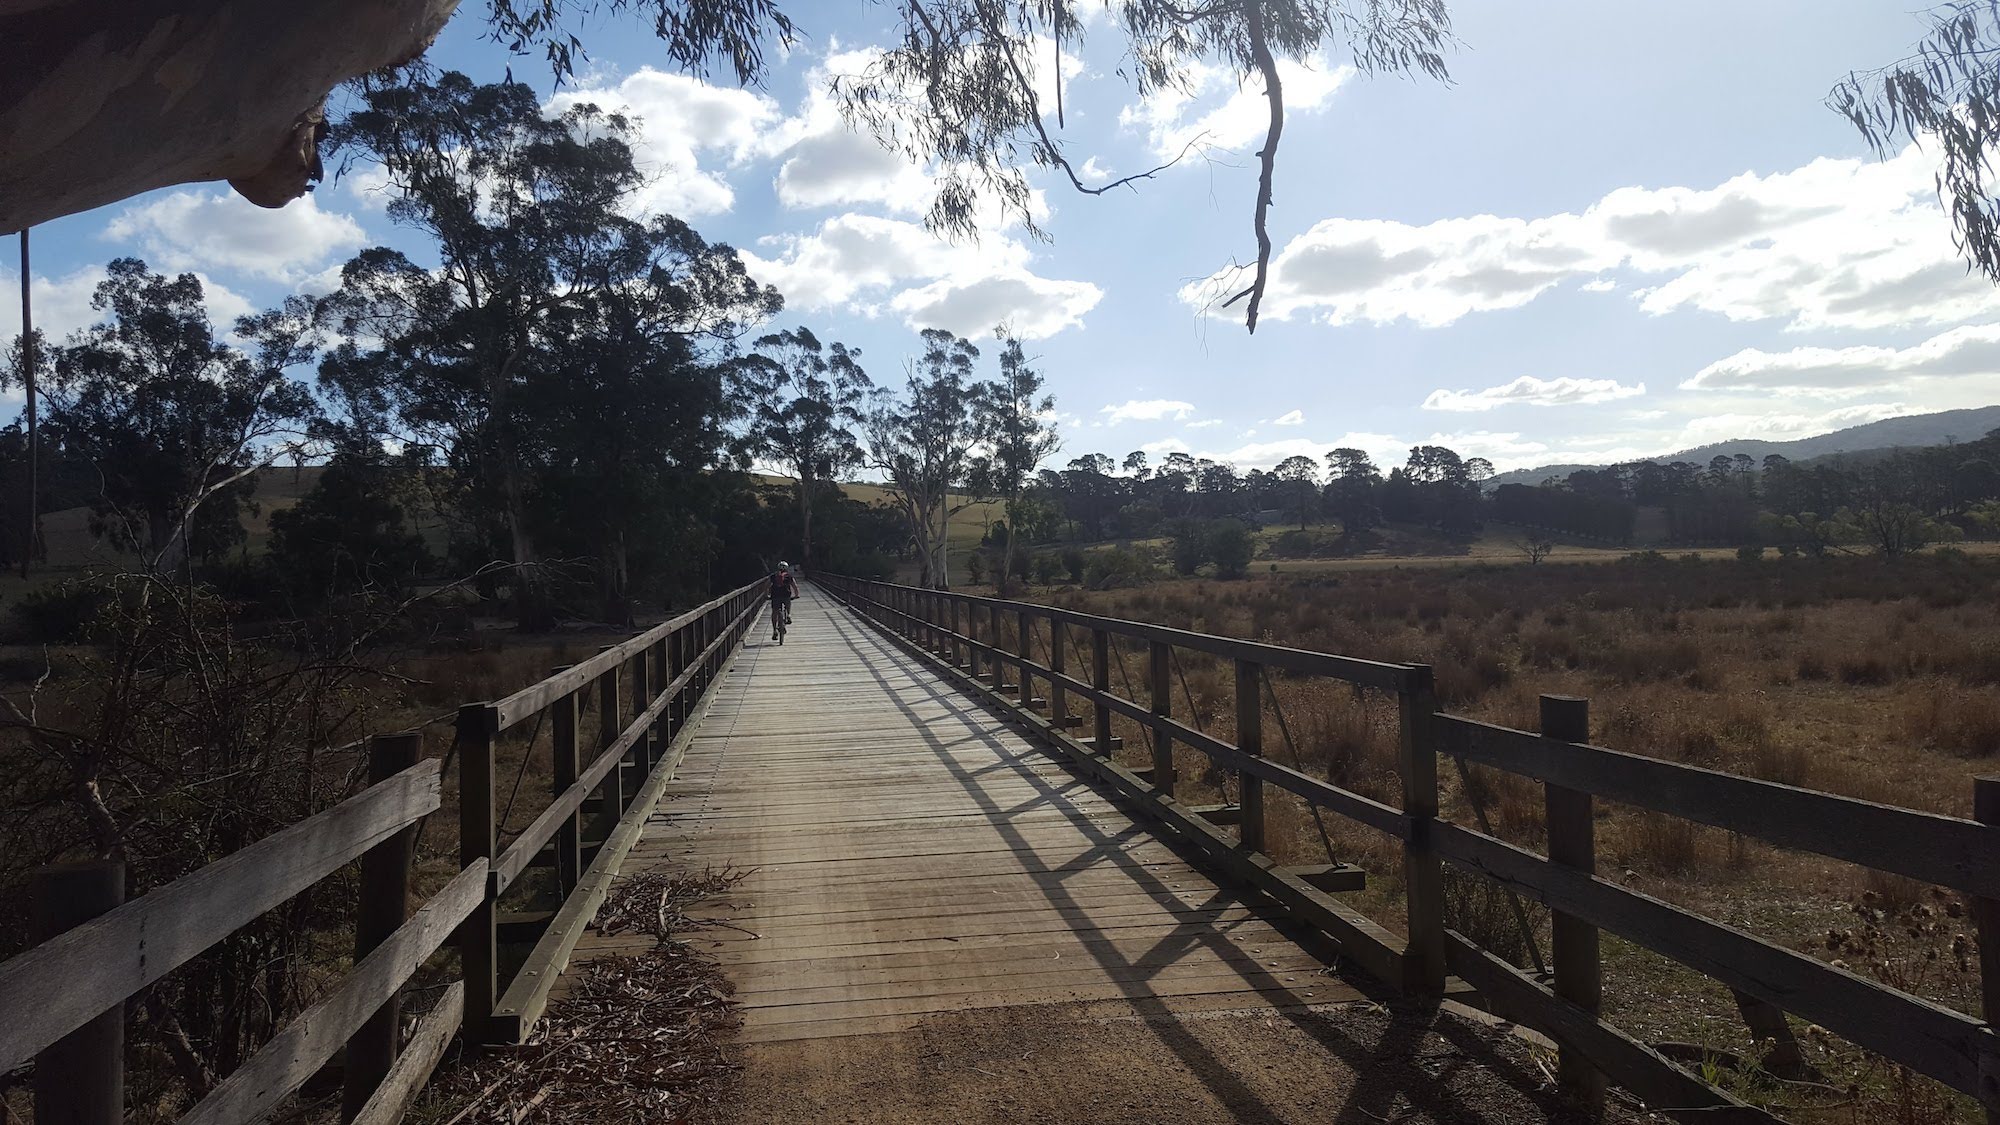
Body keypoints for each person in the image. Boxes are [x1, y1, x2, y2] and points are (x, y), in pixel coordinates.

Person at [769, 561, 798, 638]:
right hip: (786, 595)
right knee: (788, 603)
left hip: (775, 596)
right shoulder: (789, 576)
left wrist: (766, 595)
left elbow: (766, 586)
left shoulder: (773, 576)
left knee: (774, 612)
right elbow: (795, 586)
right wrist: (796, 595)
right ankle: (788, 614)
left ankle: (774, 630)